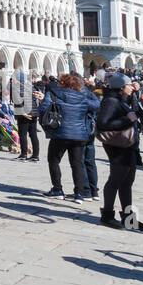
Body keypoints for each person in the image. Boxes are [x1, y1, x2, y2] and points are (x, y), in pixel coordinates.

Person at [96, 73, 143, 231]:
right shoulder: (111, 101)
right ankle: (107, 215)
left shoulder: (121, 100)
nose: (132, 87)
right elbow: (104, 123)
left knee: (127, 182)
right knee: (116, 179)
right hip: (117, 146)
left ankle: (129, 218)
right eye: (129, 85)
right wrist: (128, 119)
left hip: (128, 146)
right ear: (121, 87)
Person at [40, 72, 99, 201]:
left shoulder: (53, 93)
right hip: (79, 135)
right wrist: (87, 91)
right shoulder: (83, 97)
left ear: (62, 83)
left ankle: (57, 189)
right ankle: (79, 193)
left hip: (60, 133)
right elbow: (96, 105)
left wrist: (48, 127)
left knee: (54, 160)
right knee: (77, 164)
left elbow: (43, 110)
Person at [14, 77, 40, 161]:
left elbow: (18, 101)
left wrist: (23, 113)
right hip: (34, 113)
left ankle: (23, 154)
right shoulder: (32, 87)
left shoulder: (18, 88)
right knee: (33, 135)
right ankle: (35, 155)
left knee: (23, 134)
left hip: (24, 114)